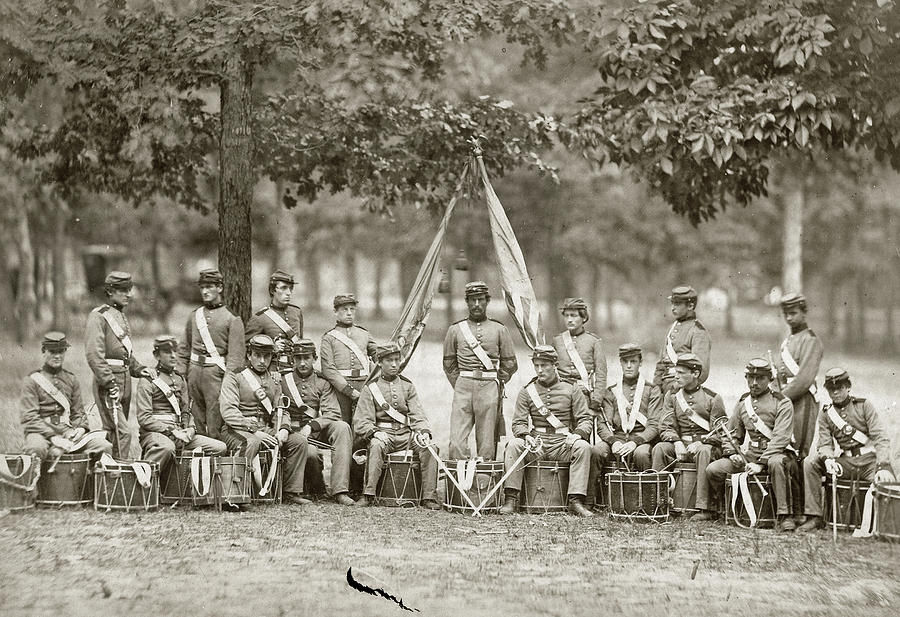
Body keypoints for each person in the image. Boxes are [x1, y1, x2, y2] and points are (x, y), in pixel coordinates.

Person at [499, 345, 594, 517]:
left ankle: (575, 501)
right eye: (536, 365)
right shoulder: (527, 391)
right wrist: (526, 436)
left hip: (563, 443)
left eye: (544, 365)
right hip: (537, 444)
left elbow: (585, 419)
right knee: (514, 445)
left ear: (555, 365)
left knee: (583, 447)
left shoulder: (572, 388)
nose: (540, 370)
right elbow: (518, 423)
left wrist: (577, 435)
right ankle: (511, 499)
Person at [797, 367, 896, 532]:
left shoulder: (864, 406)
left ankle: (884, 525)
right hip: (846, 463)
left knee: (886, 481)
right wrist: (828, 459)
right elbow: (825, 443)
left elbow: (880, 438)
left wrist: (883, 465)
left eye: (840, 388)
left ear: (848, 387)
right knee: (810, 462)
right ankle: (814, 516)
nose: (835, 392)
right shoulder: (826, 414)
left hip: (869, 462)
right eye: (831, 389)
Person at [703, 358, 796, 531]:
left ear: (770, 379)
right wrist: (733, 454)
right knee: (714, 470)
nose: (754, 383)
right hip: (750, 455)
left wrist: (761, 463)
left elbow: (780, 439)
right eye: (750, 378)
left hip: (777, 454)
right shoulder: (743, 402)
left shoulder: (782, 402)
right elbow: (731, 434)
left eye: (760, 378)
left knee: (776, 463)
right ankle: (728, 507)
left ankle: (785, 515)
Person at [219, 334, 311, 506]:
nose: (262, 360)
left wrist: (283, 428)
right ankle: (237, 493)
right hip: (236, 429)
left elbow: (280, 409)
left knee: (298, 441)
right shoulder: (235, 376)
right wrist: (253, 429)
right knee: (251, 443)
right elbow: (228, 411)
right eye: (257, 355)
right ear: (249, 355)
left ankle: (291, 491)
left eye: (267, 356)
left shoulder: (274, 380)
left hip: (265, 429)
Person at [353, 342, 440, 510]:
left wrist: (423, 432)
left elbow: (417, 414)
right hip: (383, 434)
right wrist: (375, 433)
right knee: (376, 446)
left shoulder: (407, 385)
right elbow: (362, 420)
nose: (394, 364)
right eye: (389, 360)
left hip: (406, 434)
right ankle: (369, 494)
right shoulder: (371, 388)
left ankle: (429, 497)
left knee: (430, 447)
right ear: (379, 362)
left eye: (396, 360)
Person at [442, 281, 518, 460]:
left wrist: (495, 381)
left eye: (481, 300)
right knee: (456, 442)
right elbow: (448, 363)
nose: (477, 305)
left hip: (489, 388)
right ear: (467, 302)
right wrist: (462, 383)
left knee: (487, 444)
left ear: (487, 301)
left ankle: (483, 485)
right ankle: (457, 485)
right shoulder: (455, 330)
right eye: (473, 300)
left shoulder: (500, 329)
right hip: (463, 387)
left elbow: (510, 363)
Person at [84, 271, 152, 458]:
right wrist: (108, 382)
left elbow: (124, 355)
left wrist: (140, 369)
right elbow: (94, 355)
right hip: (110, 383)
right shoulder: (98, 316)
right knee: (123, 433)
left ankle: (105, 473)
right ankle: (118, 478)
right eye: (123, 290)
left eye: (129, 290)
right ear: (110, 291)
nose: (128, 294)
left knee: (113, 432)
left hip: (125, 380)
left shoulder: (120, 316)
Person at [136, 335, 226, 475]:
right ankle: (146, 481)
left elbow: (186, 411)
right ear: (156, 355)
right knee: (167, 448)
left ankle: (185, 487)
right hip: (155, 433)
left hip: (180, 434)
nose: (173, 356)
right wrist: (171, 431)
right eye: (167, 352)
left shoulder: (180, 379)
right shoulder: (147, 380)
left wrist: (190, 428)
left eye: (175, 351)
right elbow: (144, 418)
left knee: (219, 447)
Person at [282, 339, 355, 506]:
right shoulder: (283, 380)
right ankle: (316, 490)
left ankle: (340, 490)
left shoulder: (322, 381)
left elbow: (332, 412)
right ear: (292, 360)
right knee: (311, 453)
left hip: (314, 429)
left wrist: (311, 426)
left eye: (306, 358)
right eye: (298, 358)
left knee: (342, 428)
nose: (302, 363)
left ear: (314, 359)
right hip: (292, 431)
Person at [652, 353, 725, 518]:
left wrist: (701, 442)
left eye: (681, 373)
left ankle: (704, 508)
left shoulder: (713, 398)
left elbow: (721, 432)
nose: (676, 376)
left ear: (695, 374)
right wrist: (676, 441)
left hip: (706, 448)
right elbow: (665, 425)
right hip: (681, 446)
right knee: (660, 449)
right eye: (676, 372)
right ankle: (658, 502)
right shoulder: (672, 397)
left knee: (704, 451)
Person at [21, 332, 113, 461]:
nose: (57, 356)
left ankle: (89, 481)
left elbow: (78, 413)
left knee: (103, 446)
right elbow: (29, 417)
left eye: (61, 351)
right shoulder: (32, 381)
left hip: (67, 432)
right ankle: (33, 481)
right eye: (52, 352)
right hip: (40, 432)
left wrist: (80, 429)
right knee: (36, 448)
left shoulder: (71, 379)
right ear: (43, 351)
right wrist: (53, 437)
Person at [177, 268, 245, 439]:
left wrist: (229, 385)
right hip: (193, 373)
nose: (205, 291)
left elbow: (236, 359)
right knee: (194, 418)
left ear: (220, 288)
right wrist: (180, 377)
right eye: (202, 287)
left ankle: (215, 458)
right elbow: (184, 348)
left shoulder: (232, 319)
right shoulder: (194, 316)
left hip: (216, 376)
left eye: (209, 287)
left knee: (215, 421)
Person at [597, 343, 663, 471]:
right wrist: (613, 441)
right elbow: (602, 424)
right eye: (625, 361)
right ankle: (595, 491)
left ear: (640, 362)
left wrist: (635, 442)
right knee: (596, 451)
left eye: (633, 361)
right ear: (620, 363)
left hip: (642, 440)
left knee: (642, 454)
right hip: (617, 439)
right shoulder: (611, 391)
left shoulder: (651, 390)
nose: (628, 366)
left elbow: (654, 424)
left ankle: (648, 490)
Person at [774, 292, 824, 458]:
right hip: (785, 399)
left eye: (793, 313)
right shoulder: (788, 340)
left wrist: (780, 398)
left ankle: (800, 485)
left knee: (798, 450)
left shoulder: (811, 340)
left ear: (804, 312)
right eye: (786, 314)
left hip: (803, 401)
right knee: (783, 447)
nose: (789, 318)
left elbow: (804, 380)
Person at [319, 294, 378, 426]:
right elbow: (328, 369)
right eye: (345, 309)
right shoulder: (329, 338)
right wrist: (349, 391)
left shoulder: (364, 334)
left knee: (364, 424)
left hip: (364, 386)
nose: (349, 313)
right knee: (341, 424)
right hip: (340, 389)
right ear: (335, 312)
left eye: (352, 309)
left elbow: (379, 357)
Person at [653, 286, 711, 394]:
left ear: (690, 306)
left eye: (677, 304)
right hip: (664, 386)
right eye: (672, 303)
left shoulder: (698, 331)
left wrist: (679, 387)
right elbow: (661, 362)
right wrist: (656, 387)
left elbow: (700, 371)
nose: (672, 308)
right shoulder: (672, 328)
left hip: (682, 390)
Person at [551, 297, 607, 410]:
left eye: (573, 315)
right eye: (566, 316)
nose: (569, 320)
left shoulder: (594, 341)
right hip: (560, 395)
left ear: (584, 317)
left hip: (584, 395)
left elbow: (601, 373)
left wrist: (596, 399)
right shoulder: (557, 341)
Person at [244, 270, 304, 373]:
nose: (289, 293)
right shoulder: (260, 318)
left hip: (296, 371)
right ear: (272, 290)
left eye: (290, 288)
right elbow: (247, 349)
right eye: (284, 288)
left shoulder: (296, 312)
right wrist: (272, 348)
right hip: (272, 372)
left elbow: (300, 341)